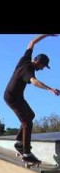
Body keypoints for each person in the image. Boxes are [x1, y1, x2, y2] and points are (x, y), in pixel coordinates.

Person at [4, 34, 60, 164]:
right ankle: (27, 153)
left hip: (16, 96)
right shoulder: (29, 68)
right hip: (12, 97)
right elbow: (34, 82)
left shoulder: (25, 59)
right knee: (27, 123)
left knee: (30, 115)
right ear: (39, 62)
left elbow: (32, 42)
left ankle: (19, 142)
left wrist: (46, 34)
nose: (42, 69)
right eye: (43, 67)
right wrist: (50, 89)